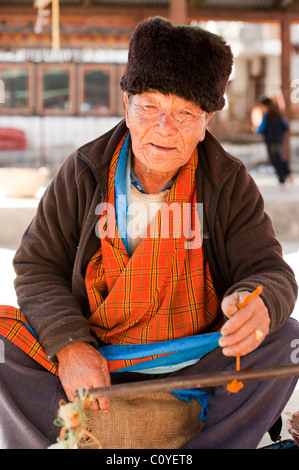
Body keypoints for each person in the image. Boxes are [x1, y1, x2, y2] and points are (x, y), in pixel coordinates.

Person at [0, 17, 298, 450]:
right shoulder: (84, 171)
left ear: (206, 121)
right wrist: (70, 345)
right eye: (149, 106)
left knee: (286, 341)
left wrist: (256, 301)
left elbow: (270, 270)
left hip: (195, 356)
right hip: (99, 351)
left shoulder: (227, 182)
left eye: (185, 113)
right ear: (126, 103)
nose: (164, 127)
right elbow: (36, 266)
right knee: (6, 345)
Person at [257, 96, 293, 186]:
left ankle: (282, 180)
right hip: (279, 141)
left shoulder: (266, 117)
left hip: (271, 142)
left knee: (274, 160)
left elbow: (260, 130)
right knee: (280, 159)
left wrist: (256, 130)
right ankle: (288, 173)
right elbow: (286, 126)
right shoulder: (278, 115)